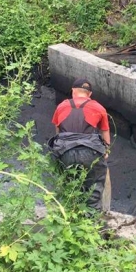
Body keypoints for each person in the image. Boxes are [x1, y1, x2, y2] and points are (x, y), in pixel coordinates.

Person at [49, 78, 111, 211]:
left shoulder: (61, 106)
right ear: (89, 94)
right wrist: (106, 151)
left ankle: (68, 219)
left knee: (68, 187)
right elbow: (105, 131)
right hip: (90, 152)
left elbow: (58, 132)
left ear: (73, 92)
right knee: (93, 192)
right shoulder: (98, 107)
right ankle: (92, 225)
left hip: (65, 152)